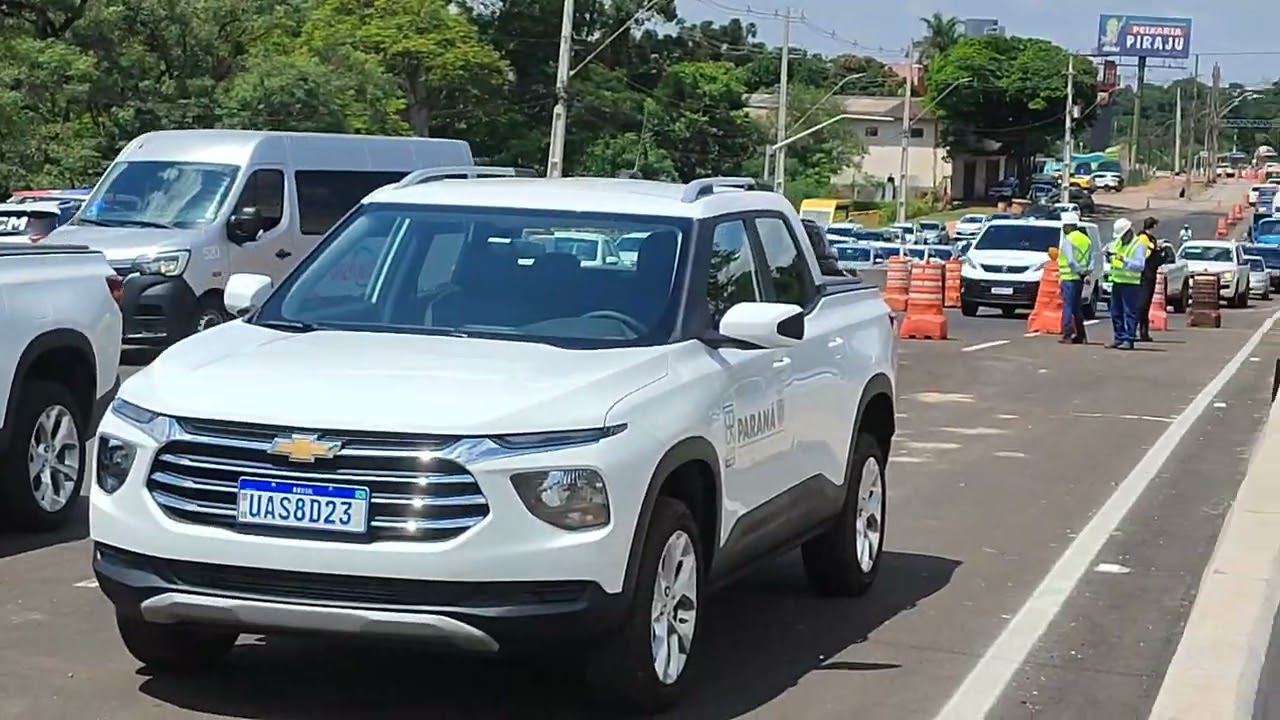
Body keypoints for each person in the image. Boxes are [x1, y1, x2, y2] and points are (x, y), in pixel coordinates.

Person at [1106, 218, 1149, 350]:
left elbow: (1140, 266)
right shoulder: (1117, 243)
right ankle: (1119, 337)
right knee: (1115, 312)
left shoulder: (1138, 245)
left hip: (1131, 283)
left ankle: (1129, 339)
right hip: (1117, 281)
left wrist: (1124, 260)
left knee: (1129, 313)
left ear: (1129, 232)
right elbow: (1112, 256)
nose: (1121, 238)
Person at [1057, 212, 1092, 344]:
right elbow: (1090, 259)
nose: (1063, 229)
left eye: (1064, 226)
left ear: (1069, 226)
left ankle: (1067, 333)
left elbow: (1071, 261)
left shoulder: (1068, 240)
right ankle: (1081, 334)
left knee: (1068, 307)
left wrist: (1077, 270)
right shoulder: (1086, 239)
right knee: (1077, 307)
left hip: (1069, 277)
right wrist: (1084, 272)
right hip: (1080, 278)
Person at [1134, 217, 1163, 342]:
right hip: (1144, 276)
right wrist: (1154, 251)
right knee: (1141, 305)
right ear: (1153, 226)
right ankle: (1134, 331)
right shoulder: (1143, 238)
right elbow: (1142, 257)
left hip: (1150, 275)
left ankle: (1144, 333)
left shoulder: (1150, 239)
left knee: (1145, 306)